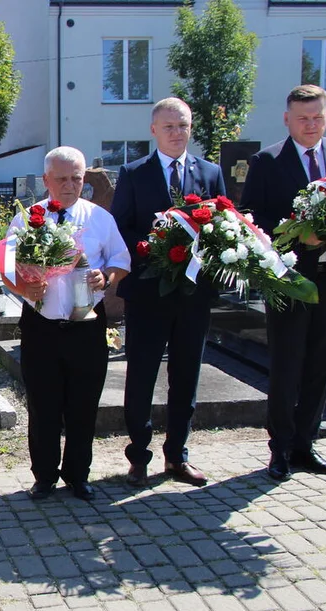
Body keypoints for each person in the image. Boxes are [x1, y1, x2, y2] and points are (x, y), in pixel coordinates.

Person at [240, 85, 326, 481]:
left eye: (317, 117)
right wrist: (297, 236)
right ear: (287, 119)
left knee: (321, 366)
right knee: (287, 365)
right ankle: (279, 449)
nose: (310, 125)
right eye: (302, 118)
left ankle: (306, 444)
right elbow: (256, 219)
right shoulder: (267, 161)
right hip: (291, 281)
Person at [1, 146, 130, 501]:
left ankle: (78, 474)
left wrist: (107, 277)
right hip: (42, 324)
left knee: (83, 404)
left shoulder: (100, 218)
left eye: (77, 178)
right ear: (46, 180)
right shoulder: (28, 219)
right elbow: (6, 267)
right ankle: (44, 476)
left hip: (87, 325)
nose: (71, 185)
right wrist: (25, 286)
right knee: (43, 404)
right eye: (62, 179)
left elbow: (121, 260)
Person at [111, 97, 227, 488]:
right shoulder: (133, 173)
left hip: (193, 295)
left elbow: (223, 226)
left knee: (186, 375)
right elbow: (121, 228)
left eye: (184, 126)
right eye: (170, 127)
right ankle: (138, 457)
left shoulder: (209, 173)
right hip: (148, 294)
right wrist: (153, 251)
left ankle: (177, 455)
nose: (178, 133)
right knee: (141, 375)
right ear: (154, 130)